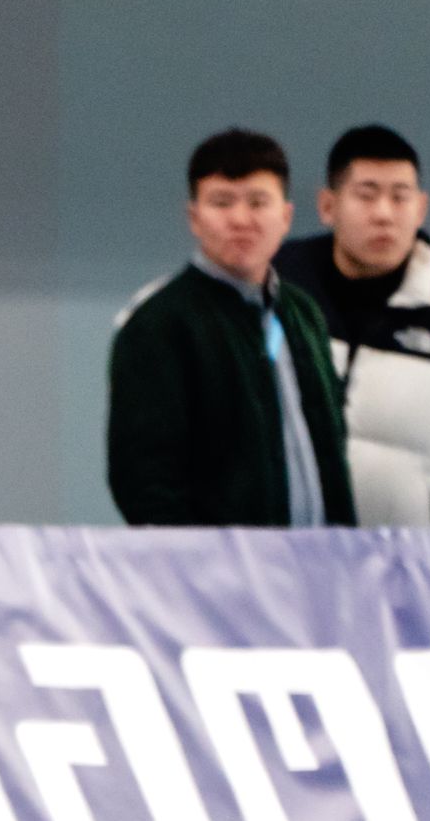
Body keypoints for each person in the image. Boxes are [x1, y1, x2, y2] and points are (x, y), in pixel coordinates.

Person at [107, 129, 355, 528]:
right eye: (222, 202)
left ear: (286, 216)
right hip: (218, 565)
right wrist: (198, 561)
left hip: (322, 558)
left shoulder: (304, 314)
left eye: (258, 202)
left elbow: (333, 448)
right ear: (194, 217)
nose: (241, 219)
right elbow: (144, 479)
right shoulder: (159, 324)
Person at [273, 126, 430, 528]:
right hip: (277, 555)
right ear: (328, 206)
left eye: (400, 196)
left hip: (411, 561)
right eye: (367, 194)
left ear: (421, 209)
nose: (384, 214)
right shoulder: (274, 284)